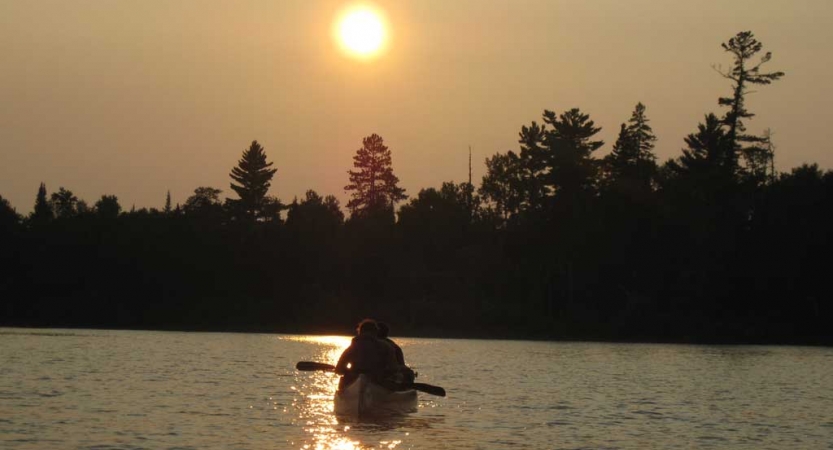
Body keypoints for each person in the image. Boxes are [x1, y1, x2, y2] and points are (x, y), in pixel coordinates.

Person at [335, 319, 398, 391]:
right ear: (376, 332)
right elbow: (394, 369)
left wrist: (350, 372)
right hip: (378, 382)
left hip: (354, 379)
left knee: (344, 380)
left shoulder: (351, 348)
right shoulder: (386, 347)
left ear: (360, 332)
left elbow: (338, 369)